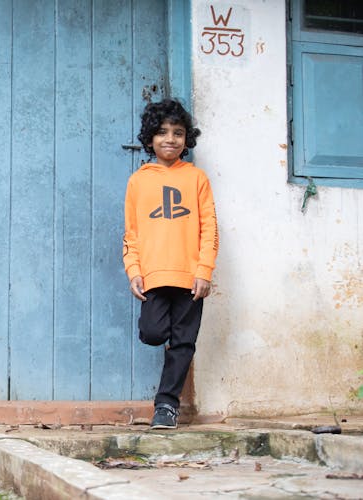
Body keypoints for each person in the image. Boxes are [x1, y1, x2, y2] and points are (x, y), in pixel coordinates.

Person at [122, 98, 219, 429]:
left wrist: (204, 272)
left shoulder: (197, 179)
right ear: (150, 138)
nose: (170, 139)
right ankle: (167, 391)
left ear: (186, 139)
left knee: (183, 342)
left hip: (190, 277)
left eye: (178, 133)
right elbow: (131, 234)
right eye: (162, 132)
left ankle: (166, 405)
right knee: (152, 332)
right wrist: (134, 271)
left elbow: (209, 229)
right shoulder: (138, 181)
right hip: (154, 275)